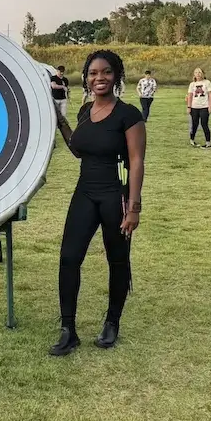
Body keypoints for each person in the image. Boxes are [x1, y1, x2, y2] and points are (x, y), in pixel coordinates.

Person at [49, 50, 146, 355]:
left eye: (105, 72)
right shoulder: (85, 111)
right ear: (87, 78)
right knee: (68, 259)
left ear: (116, 76)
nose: (98, 78)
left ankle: (112, 323)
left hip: (114, 196)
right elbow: (79, 149)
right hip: (85, 194)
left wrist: (133, 208)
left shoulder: (128, 114)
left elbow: (137, 160)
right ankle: (68, 330)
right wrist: (61, 121)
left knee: (117, 261)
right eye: (92, 73)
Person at [187, 67, 211, 148]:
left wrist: (210, 106)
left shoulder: (207, 82)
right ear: (194, 74)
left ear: (203, 74)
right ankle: (192, 140)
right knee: (194, 124)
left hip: (204, 106)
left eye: (199, 72)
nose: (198, 74)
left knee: (204, 124)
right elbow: (190, 95)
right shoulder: (192, 84)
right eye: (196, 72)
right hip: (194, 107)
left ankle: (208, 142)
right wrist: (189, 106)